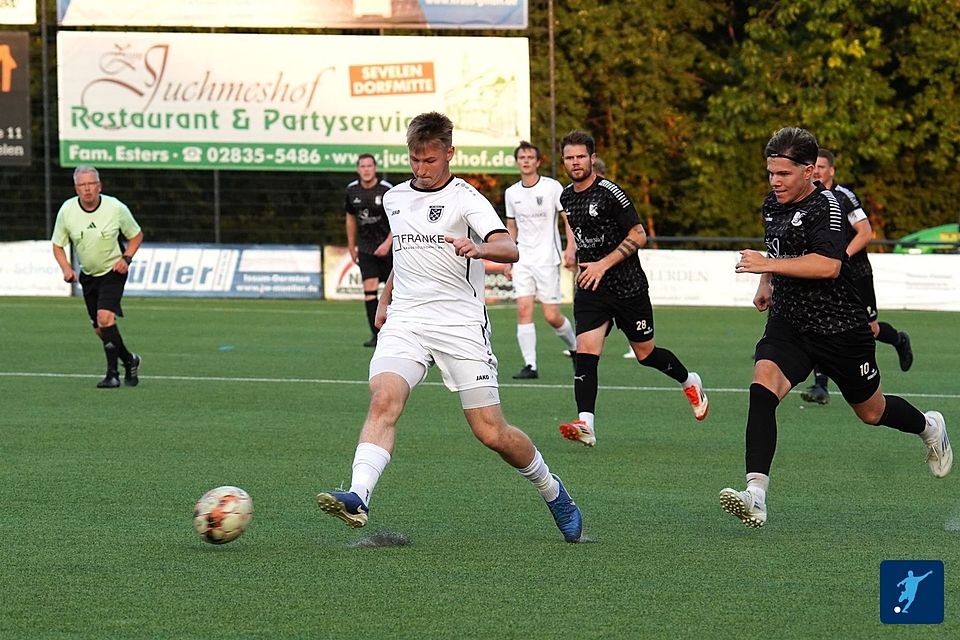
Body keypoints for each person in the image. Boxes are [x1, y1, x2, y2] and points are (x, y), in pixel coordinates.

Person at [316, 112, 584, 543]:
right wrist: (385, 301)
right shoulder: (394, 198)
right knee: (384, 397)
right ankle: (358, 494)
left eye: (429, 160)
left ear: (449, 154)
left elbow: (508, 246)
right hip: (407, 319)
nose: (420, 169)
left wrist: (477, 247)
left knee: (490, 432)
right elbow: (404, 258)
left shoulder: (466, 199)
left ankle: (552, 489)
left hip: (459, 323)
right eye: (414, 159)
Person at [721, 127, 952, 529]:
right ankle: (755, 495)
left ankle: (929, 425)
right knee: (761, 389)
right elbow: (775, 248)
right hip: (791, 322)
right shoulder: (772, 203)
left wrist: (767, 267)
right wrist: (766, 284)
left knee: (871, 411)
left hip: (840, 328)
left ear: (810, 171)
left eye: (783, 174)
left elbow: (827, 266)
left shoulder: (827, 209)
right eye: (770, 173)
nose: (774, 181)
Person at [556, 130, 708, 448]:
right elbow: (574, 225)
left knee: (645, 353)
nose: (575, 162)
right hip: (590, 286)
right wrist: (573, 250)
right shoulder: (566, 196)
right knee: (585, 350)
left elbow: (639, 235)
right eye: (569, 157)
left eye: (580, 156)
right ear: (563, 161)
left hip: (627, 287)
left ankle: (689, 381)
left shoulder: (611, 192)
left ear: (592, 158)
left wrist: (603, 264)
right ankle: (586, 423)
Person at [801, 148, 913, 404]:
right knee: (822, 321)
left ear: (831, 170)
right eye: (813, 165)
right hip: (829, 275)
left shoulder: (844, 196)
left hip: (856, 272)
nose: (816, 170)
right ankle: (820, 385)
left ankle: (898, 339)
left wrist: (843, 256)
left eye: (821, 166)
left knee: (869, 328)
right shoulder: (809, 198)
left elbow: (865, 232)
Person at [51, 165, 143, 389]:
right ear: (76, 189)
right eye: (82, 185)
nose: (87, 189)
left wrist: (126, 259)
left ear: (99, 186)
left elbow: (136, 235)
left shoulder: (115, 207)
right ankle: (130, 360)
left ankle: (112, 375)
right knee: (101, 329)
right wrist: (66, 268)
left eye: (91, 184)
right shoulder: (67, 210)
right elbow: (57, 245)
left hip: (113, 271)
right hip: (89, 275)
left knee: (105, 318)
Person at [502, 141, 577, 379]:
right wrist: (507, 258)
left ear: (538, 162)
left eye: (529, 157)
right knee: (523, 309)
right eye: (521, 157)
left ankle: (576, 349)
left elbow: (568, 219)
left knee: (552, 316)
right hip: (522, 259)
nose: (525, 160)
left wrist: (571, 247)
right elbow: (511, 227)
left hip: (547, 259)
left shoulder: (552, 188)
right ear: (517, 162)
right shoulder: (511, 193)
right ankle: (531, 365)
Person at [344, 153, 394, 347]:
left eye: (369, 166)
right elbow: (349, 218)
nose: (366, 169)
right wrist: (351, 245)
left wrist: (387, 243)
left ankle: (397, 334)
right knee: (369, 291)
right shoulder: (352, 190)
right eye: (362, 166)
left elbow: (399, 219)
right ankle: (377, 335)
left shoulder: (386, 190)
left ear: (375, 168)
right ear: (358, 169)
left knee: (396, 293)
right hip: (366, 248)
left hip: (389, 248)